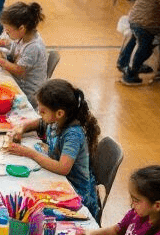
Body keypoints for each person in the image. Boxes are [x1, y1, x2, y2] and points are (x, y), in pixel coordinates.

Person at [6, 78, 101, 220]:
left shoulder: (73, 134)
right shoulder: (56, 121)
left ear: (60, 113)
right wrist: (22, 128)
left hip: (76, 195)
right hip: (60, 181)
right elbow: (40, 122)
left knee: (30, 208)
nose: (39, 113)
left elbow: (63, 168)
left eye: (42, 111)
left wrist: (30, 153)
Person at [0, 1, 48, 104]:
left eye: (8, 31)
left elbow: (19, 70)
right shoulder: (22, 37)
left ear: (21, 28)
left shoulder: (33, 47)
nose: (6, 33)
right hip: (17, 83)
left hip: (28, 95)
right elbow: (10, 53)